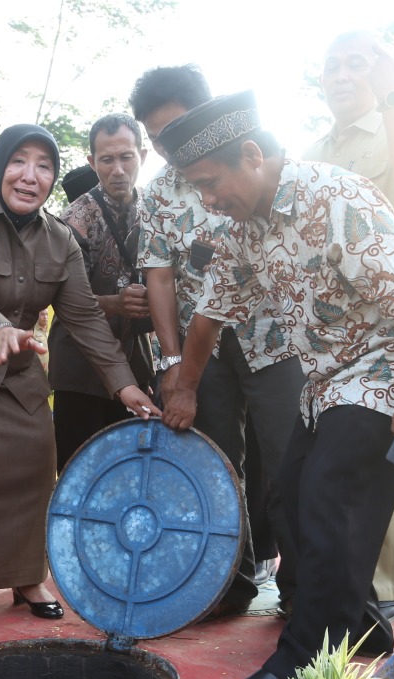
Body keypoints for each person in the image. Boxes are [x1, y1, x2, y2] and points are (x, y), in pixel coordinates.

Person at [156, 92, 394, 679]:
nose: (207, 199)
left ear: (252, 155)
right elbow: (208, 317)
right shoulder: (242, 232)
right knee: (286, 496)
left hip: (387, 367)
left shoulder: (336, 197)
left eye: (210, 183)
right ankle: (365, 622)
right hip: (327, 380)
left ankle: (302, 663)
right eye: (195, 189)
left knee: (328, 496)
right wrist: (182, 384)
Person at [0, 124, 159, 637]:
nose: (30, 176)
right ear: (0, 168)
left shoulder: (60, 238)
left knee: (38, 459)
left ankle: (25, 576)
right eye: (19, 162)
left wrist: (124, 385)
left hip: (15, 371)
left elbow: (83, 316)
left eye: (43, 166)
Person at [131, 65, 303, 616]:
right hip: (202, 355)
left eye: (174, 129)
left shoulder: (258, 161)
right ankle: (228, 587)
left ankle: (302, 591)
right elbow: (159, 275)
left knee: (289, 461)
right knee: (214, 467)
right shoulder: (157, 192)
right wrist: (172, 361)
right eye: (154, 138)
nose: (166, 146)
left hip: (274, 340)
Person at [303, 30, 394, 623]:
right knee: (328, 467)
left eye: (355, 65)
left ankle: (386, 593)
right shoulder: (314, 148)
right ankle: (337, 590)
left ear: (378, 74)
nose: (340, 75)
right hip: (335, 338)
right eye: (331, 66)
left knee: (391, 456)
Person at [53, 113, 154, 470]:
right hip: (81, 372)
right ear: (92, 162)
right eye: (107, 160)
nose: (118, 169)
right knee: (79, 473)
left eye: (126, 157)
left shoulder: (156, 212)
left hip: (135, 366)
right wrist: (116, 303)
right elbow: (62, 300)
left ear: (142, 156)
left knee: (128, 471)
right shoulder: (76, 220)